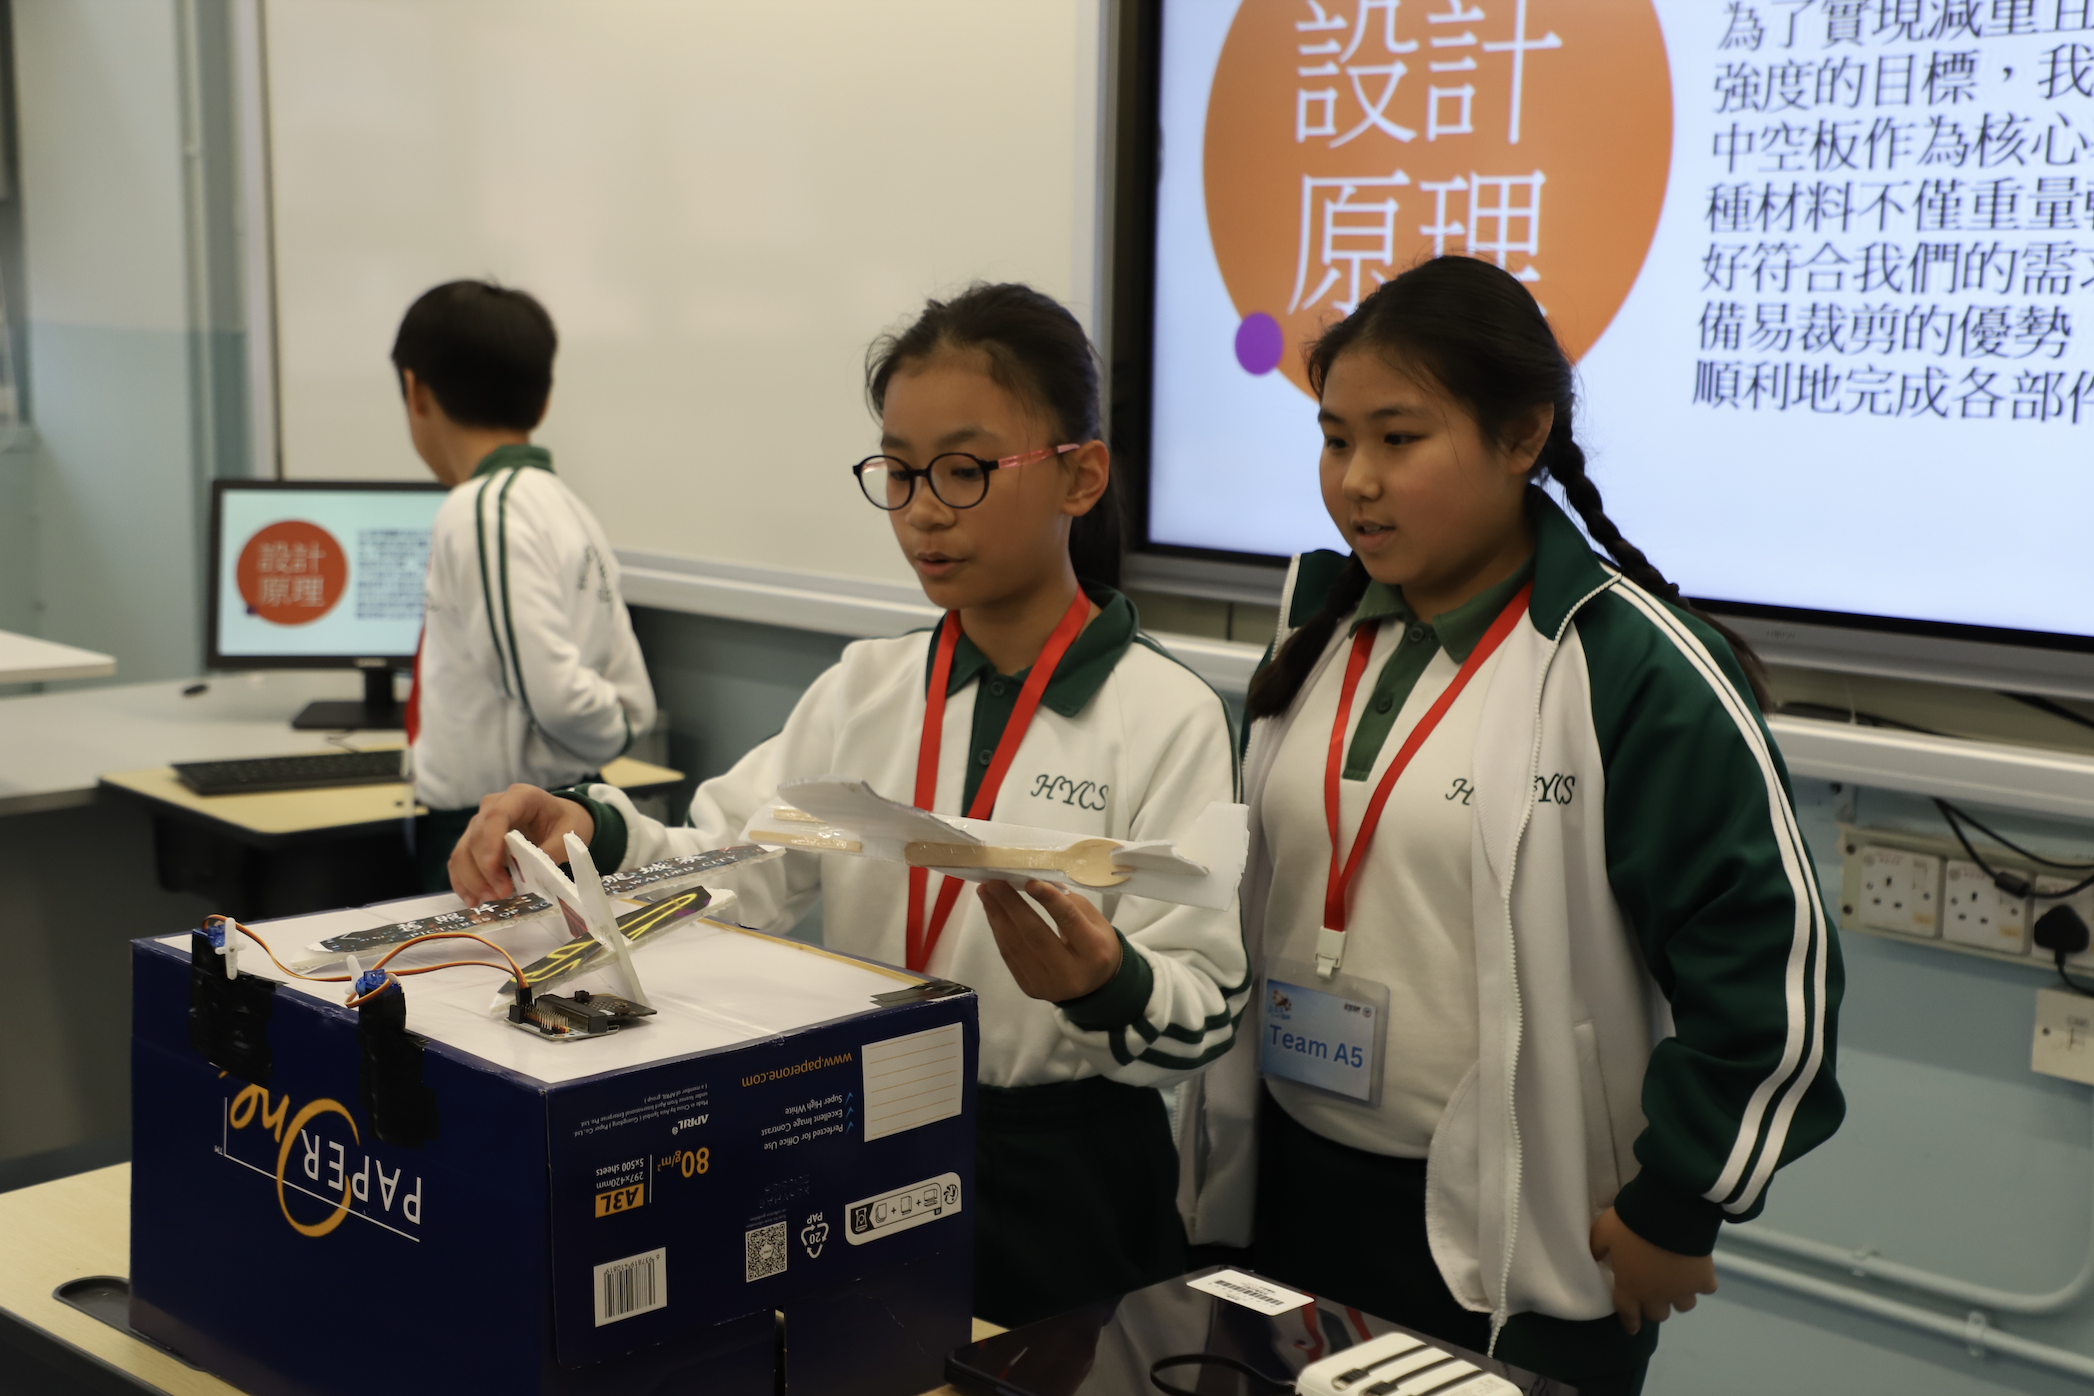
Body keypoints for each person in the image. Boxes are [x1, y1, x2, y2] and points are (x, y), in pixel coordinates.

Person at [447, 282, 1248, 1327]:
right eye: (900, 471)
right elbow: (730, 866)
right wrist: (592, 828)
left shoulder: (1166, 713)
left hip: (1067, 1176)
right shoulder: (867, 687)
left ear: (1080, 474)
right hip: (866, 1137)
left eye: (964, 469)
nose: (923, 509)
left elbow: (1205, 1011)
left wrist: (1106, 982)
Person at [1174, 257, 1844, 1396]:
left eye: (1399, 439)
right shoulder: (1320, 630)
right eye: (1335, 440)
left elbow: (1766, 973)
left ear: (1523, 434)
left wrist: (1677, 1206)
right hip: (1287, 1191)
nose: (1357, 482)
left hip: (1516, 1239)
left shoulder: (1631, 667)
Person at [395, 279, 656, 892]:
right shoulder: (566, 506)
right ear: (542, 401)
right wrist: (610, 731)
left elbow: (555, 698)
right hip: (541, 810)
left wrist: (600, 736)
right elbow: (631, 696)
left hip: (494, 828)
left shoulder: (480, 509)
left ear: (416, 390)